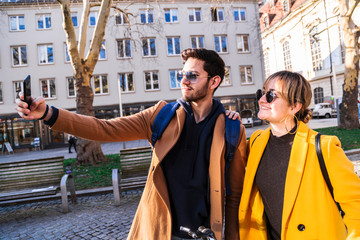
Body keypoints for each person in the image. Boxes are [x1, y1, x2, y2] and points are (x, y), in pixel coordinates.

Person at [16, 48, 247, 240]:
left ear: (214, 81)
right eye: (182, 74)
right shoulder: (161, 115)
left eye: (193, 75)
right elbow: (103, 128)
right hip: (158, 231)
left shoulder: (231, 128)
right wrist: (48, 113)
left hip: (203, 234)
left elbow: (234, 196)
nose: (184, 81)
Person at [239, 71, 360, 239]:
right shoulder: (256, 142)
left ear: (294, 106)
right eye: (262, 93)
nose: (261, 100)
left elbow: (356, 206)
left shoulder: (324, 147)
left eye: (271, 95)